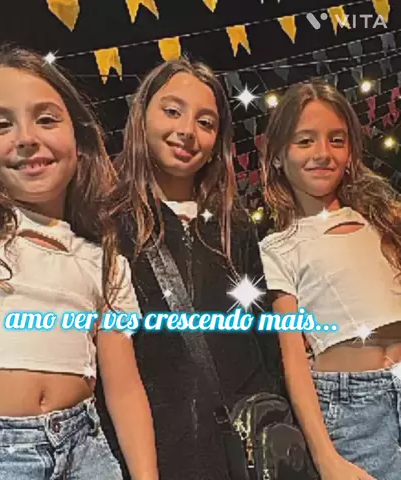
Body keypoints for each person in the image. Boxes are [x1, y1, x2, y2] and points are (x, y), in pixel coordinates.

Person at [0, 47, 157, 480]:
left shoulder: (104, 260)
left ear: (79, 138)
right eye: (1, 124)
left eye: (46, 119)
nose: (26, 137)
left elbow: (124, 389)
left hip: (85, 452)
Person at [97, 58, 283, 480]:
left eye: (205, 122)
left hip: (241, 449)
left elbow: (264, 340)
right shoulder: (107, 222)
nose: (187, 130)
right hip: (150, 451)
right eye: (172, 111)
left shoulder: (234, 225)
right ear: (141, 116)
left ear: (218, 140)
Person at [259, 79, 401, 480]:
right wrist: (325, 457)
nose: (322, 153)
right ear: (278, 156)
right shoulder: (279, 247)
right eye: (305, 141)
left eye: (336, 140)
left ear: (350, 151)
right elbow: (294, 361)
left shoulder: (384, 219)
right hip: (353, 410)